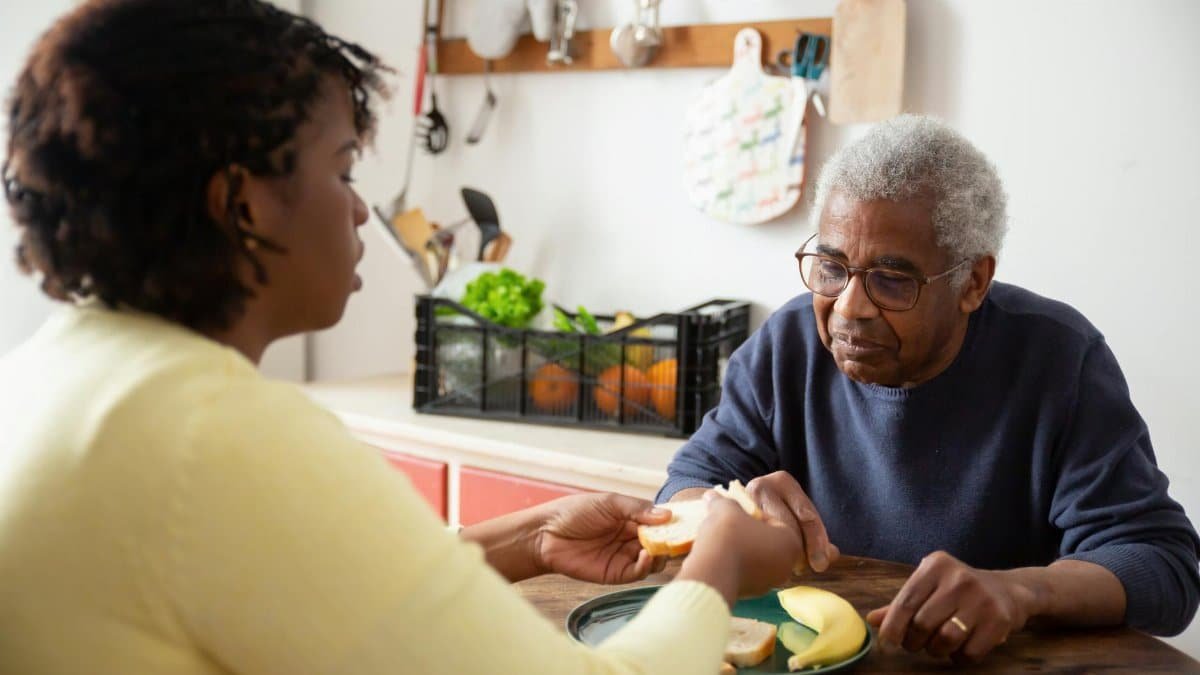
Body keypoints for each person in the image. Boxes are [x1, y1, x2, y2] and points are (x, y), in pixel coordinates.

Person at [0, 2, 805, 673]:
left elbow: (330, 593)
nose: (359, 209)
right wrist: (719, 564)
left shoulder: (54, 376)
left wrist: (530, 535)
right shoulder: (214, 436)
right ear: (242, 205)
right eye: (344, 167)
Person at [660, 114, 1200, 663]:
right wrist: (721, 510)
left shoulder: (1059, 359)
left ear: (974, 283)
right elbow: (684, 485)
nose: (849, 307)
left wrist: (1022, 590)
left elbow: (1162, 566)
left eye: (892, 281)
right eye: (831, 266)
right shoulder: (788, 345)